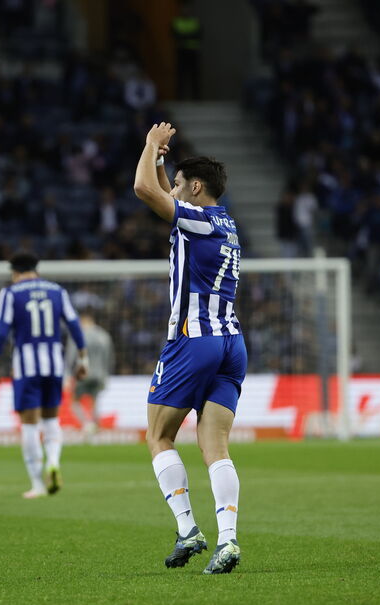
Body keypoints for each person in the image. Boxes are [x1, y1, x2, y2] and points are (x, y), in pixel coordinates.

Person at [132, 122, 247, 574]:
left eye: (180, 183)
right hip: (231, 343)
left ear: (196, 187)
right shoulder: (226, 223)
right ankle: (229, 541)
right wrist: (163, 161)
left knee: (159, 436)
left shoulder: (195, 219)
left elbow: (144, 189)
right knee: (215, 447)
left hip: (192, 340)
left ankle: (187, 529)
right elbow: (162, 189)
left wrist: (147, 147)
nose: (173, 189)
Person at [0, 253, 88, 499]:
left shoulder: (11, 293)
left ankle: (37, 484)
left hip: (26, 365)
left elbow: (1, 330)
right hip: (54, 364)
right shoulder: (57, 291)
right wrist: (83, 358)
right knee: (52, 421)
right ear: (36, 268)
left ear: (14, 272)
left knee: (29, 424)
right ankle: (53, 461)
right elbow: (74, 324)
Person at [64, 310, 114, 440]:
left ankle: (87, 424)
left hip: (84, 373)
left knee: (74, 401)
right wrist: (106, 374)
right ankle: (96, 430)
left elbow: (71, 356)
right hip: (100, 374)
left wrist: (68, 374)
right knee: (94, 401)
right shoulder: (104, 335)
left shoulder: (78, 334)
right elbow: (109, 357)